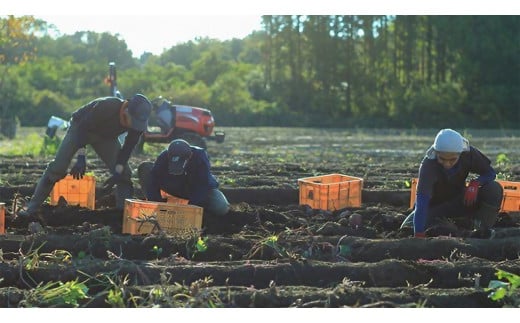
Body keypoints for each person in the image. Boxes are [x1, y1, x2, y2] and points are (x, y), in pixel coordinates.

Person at [18, 94, 152, 216]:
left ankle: (123, 216)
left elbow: (128, 148)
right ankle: (32, 208)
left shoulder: (137, 127)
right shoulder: (107, 106)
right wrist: (81, 158)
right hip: (80, 128)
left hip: (106, 137)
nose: (135, 126)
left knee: (124, 174)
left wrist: (117, 171)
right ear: (126, 110)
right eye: (133, 121)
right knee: (58, 168)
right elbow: (83, 128)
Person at [400, 128, 503, 239]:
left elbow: (490, 173)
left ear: (460, 153)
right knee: (407, 227)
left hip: (461, 201)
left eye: (452, 160)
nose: (447, 164)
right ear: (436, 153)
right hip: (436, 208)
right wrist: (418, 232)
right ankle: (461, 230)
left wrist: (476, 183)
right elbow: (422, 202)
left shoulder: (468, 154)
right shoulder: (429, 165)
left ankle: (481, 228)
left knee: (494, 188)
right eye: (442, 159)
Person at [137, 139, 230, 216]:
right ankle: (154, 203)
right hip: (174, 185)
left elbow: (202, 184)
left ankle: (204, 213)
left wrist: (190, 207)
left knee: (221, 207)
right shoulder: (164, 156)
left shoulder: (199, 157)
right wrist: (156, 204)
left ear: (189, 157)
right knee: (146, 168)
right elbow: (153, 179)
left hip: (194, 188)